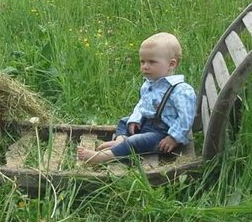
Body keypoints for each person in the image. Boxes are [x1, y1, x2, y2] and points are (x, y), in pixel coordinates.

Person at [77, 32, 196, 166]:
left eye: (152, 62)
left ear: (171, 64)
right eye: (142, 61)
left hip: (163, 135)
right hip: (147, 124)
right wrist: (135, 119)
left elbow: (186, 118)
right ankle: (120, 142)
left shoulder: (181, 90)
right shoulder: (149, 84)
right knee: (124, 121)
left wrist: (174, 137)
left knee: (136, 141)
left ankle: (102, 157)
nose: (145, 66)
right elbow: (142, 105)